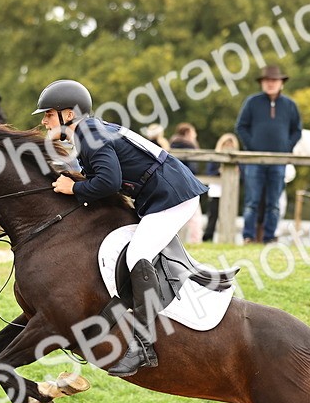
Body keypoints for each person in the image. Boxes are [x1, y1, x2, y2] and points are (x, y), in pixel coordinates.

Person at [35, 79, 207, 377]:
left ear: (69, 115)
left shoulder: (88, 134)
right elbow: (99, 176)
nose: (44, 120)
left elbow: (109, 183)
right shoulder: (89, 132)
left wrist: (72, 189)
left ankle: (143, 346)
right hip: (162, 193)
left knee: (136, 255)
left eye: (49, 113)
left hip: (172, 196)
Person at [234, 64, 302, 244]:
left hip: (279, 161)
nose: (270, 84)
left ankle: (269, 237)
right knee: (251, 201)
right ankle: (248, 236)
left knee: (274, 203)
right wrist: (252, 147)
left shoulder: (290, 105)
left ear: (281, 83)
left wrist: (286, 148)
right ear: (262, 83)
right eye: (267, 81)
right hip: (254, 160)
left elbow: (297, 130)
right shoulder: (252, 102)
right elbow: (241, 126)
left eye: (274, 80)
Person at [202, 133, 238, 243]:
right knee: (213, 215)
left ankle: (227, 239)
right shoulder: (215, 158)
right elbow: (209, 173)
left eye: (230, 144)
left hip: (230, 191)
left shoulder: (236, 159)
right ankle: (208, 237)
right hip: (216, 190)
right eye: (225, 144)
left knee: (228, 217)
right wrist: (219, 172)